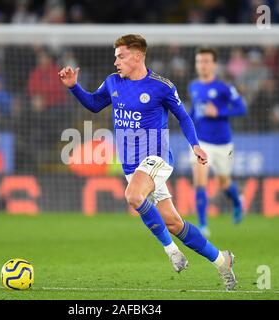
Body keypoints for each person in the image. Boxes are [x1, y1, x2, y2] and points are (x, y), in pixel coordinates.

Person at [59, 34, 237, 291]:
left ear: (138, 56)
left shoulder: (161, 86)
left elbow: (183, 117)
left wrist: (195, 145)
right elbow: (95, 105)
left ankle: (171, 251)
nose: (115, 61)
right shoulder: (112, 82)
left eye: (120, 56)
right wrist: (74, 87)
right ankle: (223, 260)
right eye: (115, 56)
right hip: (132, 166)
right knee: (174, 223)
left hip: (157, 158)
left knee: (132, 195)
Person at [188, 47, 247, 236]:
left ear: (214, 64)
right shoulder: (193, 86)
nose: (202, 65)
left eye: (206, 61)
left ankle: (237, 201)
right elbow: (196, 112)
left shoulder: (224, 87)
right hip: (202, 142)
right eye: (199, 61)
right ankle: (203, 226)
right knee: (200, 180)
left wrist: (219, 112)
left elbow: (241, 108)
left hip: (224, 144)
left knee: (223, 183)